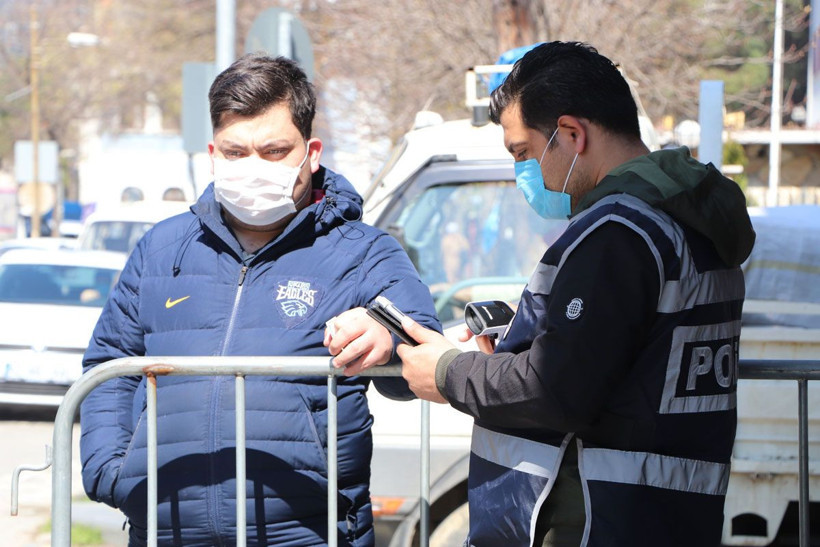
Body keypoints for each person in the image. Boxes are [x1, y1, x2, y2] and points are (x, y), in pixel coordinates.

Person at [396, 41, 755, 547]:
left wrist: (447, 372)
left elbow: (556, 390)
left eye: (523, 153)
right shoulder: (691, 223)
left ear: (571, 134)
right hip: (669, 517)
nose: (523, 174)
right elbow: (630, 359)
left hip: (594, 519)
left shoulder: (618, 233)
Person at [80, 53, 439, 547]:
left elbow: (422, 342)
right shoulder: (162, 249)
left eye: (274, 151)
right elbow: (109, 365)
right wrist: (111, 470)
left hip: (308, 533)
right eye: (235, 152)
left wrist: (386, 333)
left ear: (311, 153)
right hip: (168, 531)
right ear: (212, 153)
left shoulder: (363, 251)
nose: (253, 169)